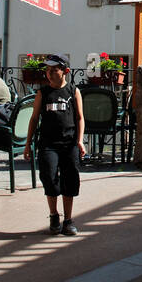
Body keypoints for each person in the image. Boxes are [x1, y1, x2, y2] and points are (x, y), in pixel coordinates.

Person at [27, 54, 85, 236]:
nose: (49, 73)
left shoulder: (73, 91)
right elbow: (34, 118)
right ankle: (54, 215)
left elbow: (80, 118)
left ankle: (68, 220)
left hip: (69, 143)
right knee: (49, 178)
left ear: (65, 71)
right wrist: (28, 143)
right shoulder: (42, 93)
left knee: (70, 179)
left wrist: (80, 140)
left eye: (54, 70)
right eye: (47, 70)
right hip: (48, 143)